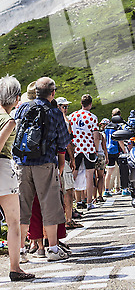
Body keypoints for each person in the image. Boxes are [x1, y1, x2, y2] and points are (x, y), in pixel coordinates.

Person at [14, 76, 71, 262]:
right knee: (50, 204)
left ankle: (21, 250)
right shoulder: (54, 112)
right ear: (53, 93)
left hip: (22, 163)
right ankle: (53, 249)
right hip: (45, 163)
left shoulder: (23, 108)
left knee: (23, 206)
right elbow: (63, 140)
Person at [0, 75, 35, 282]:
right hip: (2, 168)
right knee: (13, 221)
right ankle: (15, 268)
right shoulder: (9, 119)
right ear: (15, 97)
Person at [69, 94, 100, 211]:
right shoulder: (92, 117)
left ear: (81, 103)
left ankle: (74, 201)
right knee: (89, 175)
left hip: (76, 148)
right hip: (89, 148)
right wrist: (96, 149)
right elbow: (96, 136)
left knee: (74, 174)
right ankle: (89, 202)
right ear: (90, 104)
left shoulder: (72, 116)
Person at [55, 97, 82, 229]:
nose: (66, 109)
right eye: (63, 107)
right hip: (62, 158)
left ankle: (66, 218)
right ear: (58, 106)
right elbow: (68, 143)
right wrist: (72, 159)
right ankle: (68, 219)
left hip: (57, 159)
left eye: (66, 107)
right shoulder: (63, 122)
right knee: (68, 190)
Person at [103, 110, 124, 197]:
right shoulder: (118, 127)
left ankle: (106, 190)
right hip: (117, 150)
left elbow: (104, 138)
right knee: (122, 169)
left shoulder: (107, 127)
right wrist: (124, 150)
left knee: (109, 171)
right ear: (119, 115)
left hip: (108, 150)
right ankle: (125, 189)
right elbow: (120, 140)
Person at [94, 121, 109, 202]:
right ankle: (100, 195)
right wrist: (107, 157)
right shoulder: (100, 135)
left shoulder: (88, 134)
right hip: (100, 155)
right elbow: (104, 147)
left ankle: (93, 197)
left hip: (91, 155)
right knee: (100, 177)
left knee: (93, 177)